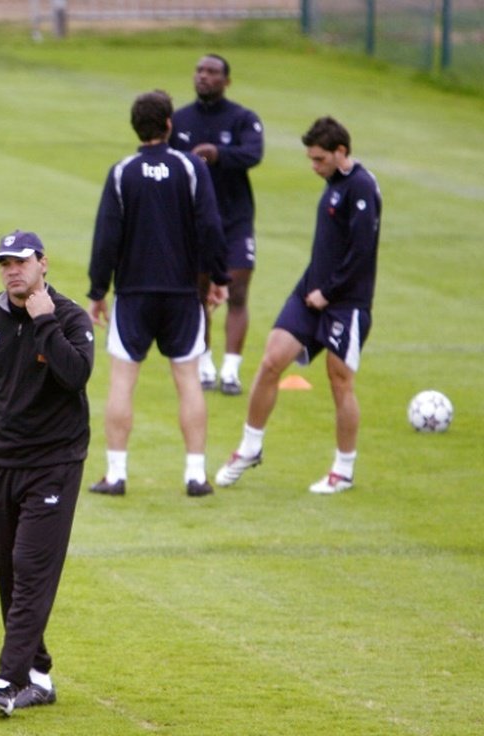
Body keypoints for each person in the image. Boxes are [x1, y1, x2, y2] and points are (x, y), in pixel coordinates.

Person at [215, 116, 381, 494]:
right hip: (309, 293)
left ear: (341, 152)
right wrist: (314, 288)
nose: (314, 166)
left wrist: (330, 292)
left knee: (340, 381)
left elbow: (361, 251)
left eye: (319, 159)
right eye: (310, 158)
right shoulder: (333, 183)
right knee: (272, 359)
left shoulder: (362, 187)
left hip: (346, 303)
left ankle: (343, 470)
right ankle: (250, 446)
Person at [0, 230, 94, 717]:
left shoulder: (70, 318)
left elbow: (74, 375)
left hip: (54, 465)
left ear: (43, 263)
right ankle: (38, 674)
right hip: (0, 460)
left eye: (20, 261)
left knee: (30, 570)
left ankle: (8, 679)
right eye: (4, 263)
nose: (12, 270)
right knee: (7, 572)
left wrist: (44, 324)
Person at [87, 90, 230, 499]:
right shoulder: (191, 168)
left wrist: (98, 291)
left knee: (121, 381)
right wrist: (219, 277)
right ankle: (195, 476)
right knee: (187, 379)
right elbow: (210, 227)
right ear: (170, 124)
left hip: (133, 294)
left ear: (136, 126)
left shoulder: (122, 172)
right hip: (183, 294)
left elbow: (106, 238)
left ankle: (115, 475)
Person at [170, 54, 264, 395]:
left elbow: (254, 154)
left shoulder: (242, 119)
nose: (203, 76)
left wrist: (219, 154)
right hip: (193, 225)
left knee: (237, 292)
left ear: (226, 81)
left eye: (211, 72)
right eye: (199, 70)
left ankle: (232, 370)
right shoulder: (178, 120)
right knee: (198, 294)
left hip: (235, 223)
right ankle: (206, 364)